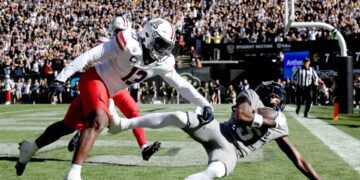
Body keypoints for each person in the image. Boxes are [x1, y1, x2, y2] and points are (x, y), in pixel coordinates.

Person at [16, 18, 213, 180]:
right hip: (94, 79)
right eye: (160, 44)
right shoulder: (127, 43)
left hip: (108, 91)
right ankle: (74, 174)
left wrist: (204, 104)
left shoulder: (162, 62)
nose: (162, 51)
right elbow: (89, 56)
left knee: (68, 125)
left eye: (165, 47)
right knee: (99, 120)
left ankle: (29, 148)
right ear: (147, 35)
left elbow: (181, 84)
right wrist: (61, 77)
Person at [108, 81, 321, 180]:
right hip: (218, 131)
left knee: (215, 172)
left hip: (232, 152)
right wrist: (268, 123)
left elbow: (298, 159)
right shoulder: (252, 97)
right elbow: (242, 116)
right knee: (180, 117)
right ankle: (123, 124)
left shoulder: (280, 124)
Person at [67, 16, 161, 161]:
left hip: (119, 88)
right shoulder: (106, 43)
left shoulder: (133, 44)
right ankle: (80, 133)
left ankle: (143, 147)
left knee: (133, 112)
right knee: (95, 117)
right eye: (117, 31)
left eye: (121, 31)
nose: (119, 34)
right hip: (102, 85)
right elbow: (90, 60)